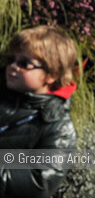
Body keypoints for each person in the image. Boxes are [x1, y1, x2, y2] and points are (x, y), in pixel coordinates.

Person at [1, 25, 79, 198]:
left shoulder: (59, 128)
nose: (13, 67)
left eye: (24, 63)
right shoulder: (4, 96)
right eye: (11, 59)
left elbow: (38, 183)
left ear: (52, 74)